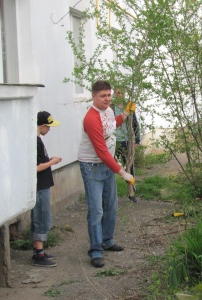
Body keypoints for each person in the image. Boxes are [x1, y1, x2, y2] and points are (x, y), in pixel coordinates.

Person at [78, 80, 135, 268]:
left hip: (107, 165)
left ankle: (107, 241)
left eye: (109, 95)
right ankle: (95, 251)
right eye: (103, 96)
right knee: (96, 210)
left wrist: (125, 114)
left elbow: (110, 127)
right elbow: (101, 151)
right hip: (92, 166)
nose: (107, 99)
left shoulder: (109, 111)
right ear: (93, 96)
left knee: (111, 205)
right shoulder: (91, 118)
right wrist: (123, 172)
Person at [32, 111, 62, 267]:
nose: (49, 130)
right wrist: (53, 162)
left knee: (40, 217)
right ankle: (39, 254)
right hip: (40, 185)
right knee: (42, 218)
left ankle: (38, 251)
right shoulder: (35, 141)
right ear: (42, 126)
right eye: (48, 127)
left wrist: (49, 160)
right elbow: (35, 167)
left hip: (42, 184)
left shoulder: (37, 140)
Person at [112, 88, 140, 200]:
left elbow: (135, 124)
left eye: (121, 92)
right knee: (111, 167)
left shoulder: (128, 107)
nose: (119, 94)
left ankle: (131, 192)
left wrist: (137, 140)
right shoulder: (111, 108)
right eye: (117, 92)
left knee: (129, 167)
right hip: (114, 142)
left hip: (126, 141)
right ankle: (111, 193)